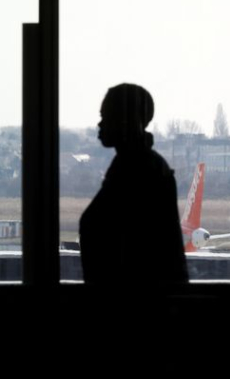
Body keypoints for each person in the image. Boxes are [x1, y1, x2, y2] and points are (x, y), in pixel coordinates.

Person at [79, 83, 188, 285]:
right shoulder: (138, 165)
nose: (100, 125)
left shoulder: (138, 169)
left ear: (125, 120)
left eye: (106, 116)